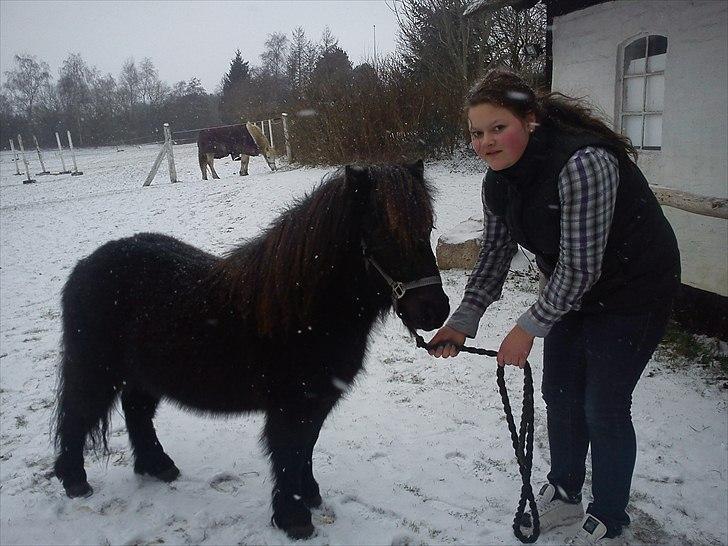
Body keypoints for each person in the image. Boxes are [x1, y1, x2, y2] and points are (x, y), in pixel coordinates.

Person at [428, 69, 680, 544]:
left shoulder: (584, 163)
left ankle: (609, 516)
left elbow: (582, 268)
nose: (485, 142)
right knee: (560, 394)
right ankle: (565, 492)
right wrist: (462, 322)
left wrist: (528, 326)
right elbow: (495, 255)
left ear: (531, 119)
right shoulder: (498, 182)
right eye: (476, 133)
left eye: (497, 128)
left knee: (603, 405)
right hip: (571, 290)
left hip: (634, 290)